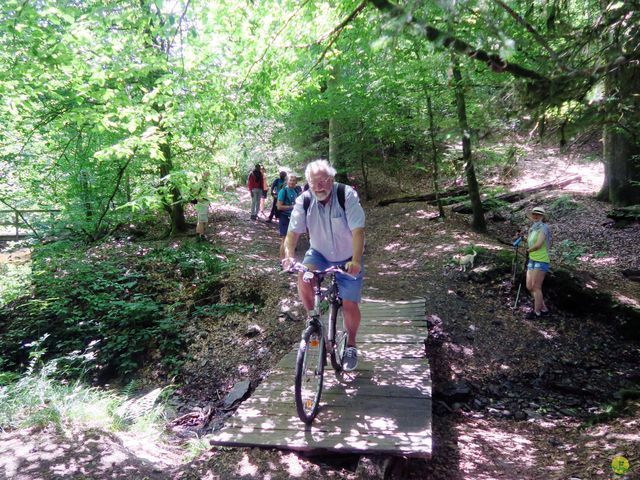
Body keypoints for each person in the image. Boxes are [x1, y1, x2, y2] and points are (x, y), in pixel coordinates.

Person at [282, 160, 365, 371]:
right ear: (307, 183)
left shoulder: (346, 195)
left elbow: (358, 231)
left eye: (323, 181)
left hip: (347, 256)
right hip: (318, 253)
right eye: (313, 182)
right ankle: (313, 321)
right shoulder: (304, 201)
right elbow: (292, 234)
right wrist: (290, 256)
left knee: (349, 304)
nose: (318, 186)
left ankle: (351, 345)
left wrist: (355, 260)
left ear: (332, 179)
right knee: (303, 276)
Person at [525, 206, 551, 319]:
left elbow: (539, 244)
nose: (535, 216)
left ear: (542, 216)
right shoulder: (532, 229)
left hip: (541, 259)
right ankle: (543, 308)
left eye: (538, 214)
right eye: (534, 214)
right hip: (532, 258)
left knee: (536, 286)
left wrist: (528, 250)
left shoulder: (544, 228)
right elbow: (530, 243)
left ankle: (536, 312)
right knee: (529, 286)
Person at [276, 174, 300, 259]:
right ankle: (282, 261)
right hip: (284, 217)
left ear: (296, 182)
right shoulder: (283, 191)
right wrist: (291, 207)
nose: (292, 182)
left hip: (293, 218)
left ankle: (289, 261)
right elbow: (279, 206)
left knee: (292, 241)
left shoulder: (295, 191)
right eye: (290, 180)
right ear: (287, 181)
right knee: (284, 239)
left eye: (294, 180)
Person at [193, 171, 211, 241]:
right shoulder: (200, 183)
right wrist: (199, 199)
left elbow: (204, 193)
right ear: (202, 175)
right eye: (206, 175)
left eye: (208, 175)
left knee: (202, 220)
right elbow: (193, 192)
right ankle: (202, 236)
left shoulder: (205, 183)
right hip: (202, 204)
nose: (207, 176)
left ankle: (198, 235)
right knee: (202, 221)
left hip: (205, 204)